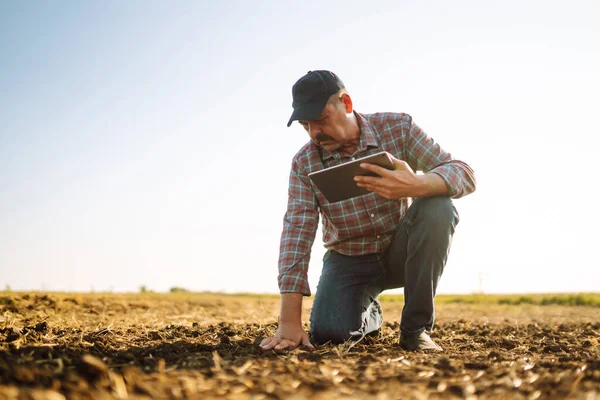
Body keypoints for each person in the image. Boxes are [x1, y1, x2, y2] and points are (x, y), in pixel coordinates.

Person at [259, 70, 476, 352]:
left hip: (402, 251)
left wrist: (417, 184)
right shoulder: (304, 164)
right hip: (348, 260)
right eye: (305, 125)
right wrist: (289, 322)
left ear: (346, 103)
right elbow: (296, 232)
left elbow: (463, 172)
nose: (315, 133)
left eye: (321, 121)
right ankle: (367, 311)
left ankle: (415, 330)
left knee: (438, 206)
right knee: (329, 333)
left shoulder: (398, 128)